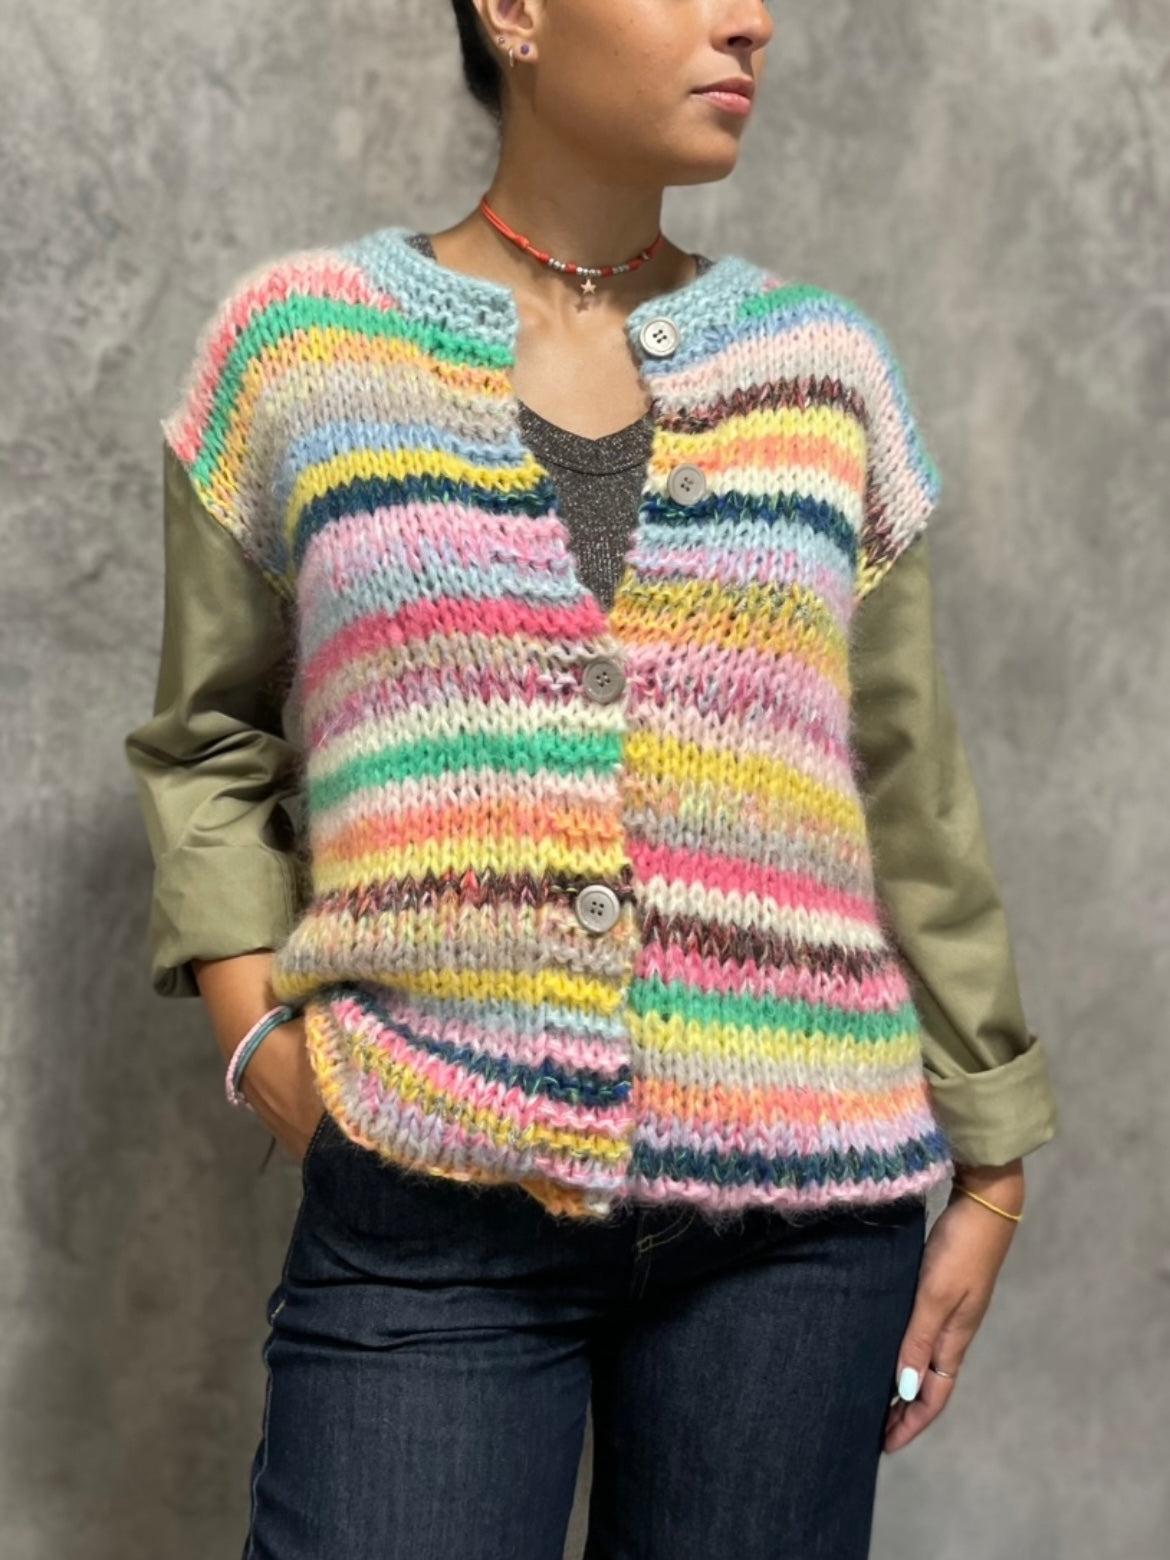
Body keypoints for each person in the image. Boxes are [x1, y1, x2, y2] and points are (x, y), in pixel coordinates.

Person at [124, 2, 1059, 1556]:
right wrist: (262, 1046)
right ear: (513, 12)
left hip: (797, 1214)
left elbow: (906, 793)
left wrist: (992, 1161)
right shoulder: (296, 350)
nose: (748, 21)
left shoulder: (821, 373)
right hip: (427, 1187)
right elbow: (207, 744)